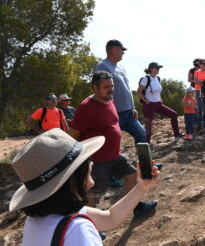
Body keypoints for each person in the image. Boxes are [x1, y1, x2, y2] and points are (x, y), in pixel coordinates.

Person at [9, 129, 159, 246]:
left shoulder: (40, 217)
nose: (92, 163)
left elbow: (109, 218)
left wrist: (142, 187)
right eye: (86, 159)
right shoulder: (77, 230)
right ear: (72, 177)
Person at [69, 71, 157, 219]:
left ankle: (138, 207)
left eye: (112, 86)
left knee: (132, 176)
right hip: (97, 160)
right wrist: (82, 162)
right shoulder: (86, 107)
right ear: (95, 88)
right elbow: (73, 135)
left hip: (115, 155)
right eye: (106, 87)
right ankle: (90, 225)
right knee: (93, 194)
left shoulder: (110, 100)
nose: (111, 89)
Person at [94, 39, 146, 145]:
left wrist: (132, 107)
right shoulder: (102, 66)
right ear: (114, 50)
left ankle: (144, 161)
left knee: (142, 134)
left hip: (128, 113)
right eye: (121, 50)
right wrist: (107, 111)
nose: (123, 52)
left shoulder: (121, 67)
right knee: (111, 142)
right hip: (113, 114)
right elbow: (99, 91)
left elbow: (126, 88)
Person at [137, 62, 183, 143]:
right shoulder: (146, 79)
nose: (158, 69)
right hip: (149, 105)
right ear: (151, 68)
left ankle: (177, 135)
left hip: (158, 104)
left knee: (174, 114)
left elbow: (158, 91)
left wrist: (160, 99)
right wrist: (146, 101)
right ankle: (146, 145)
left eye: (159, 68)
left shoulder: (158, 78)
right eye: (156, 68)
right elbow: (138, 92)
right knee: (148, 126)